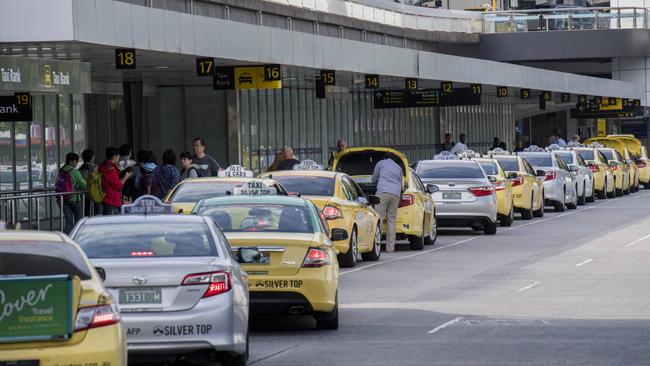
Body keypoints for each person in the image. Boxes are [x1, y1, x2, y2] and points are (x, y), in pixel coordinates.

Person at [372, 153, 403, 253]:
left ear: (385, 158)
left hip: (383, 192)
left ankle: (377, 246)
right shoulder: (399, 168)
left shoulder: (381, 163)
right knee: (391, 220)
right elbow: (401, 184)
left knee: (379, 218)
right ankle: (390, 248)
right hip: (396, 194)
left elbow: (374, 179)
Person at [56, 152, 86, 233]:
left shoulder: (61, 170)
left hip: (62, 199)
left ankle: (67, 237)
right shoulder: (74, 171)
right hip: (73, 199)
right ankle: (77, 236)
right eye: (76, 161)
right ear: (70, 161)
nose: (76, 163)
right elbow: (83, 184)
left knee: (69, 220)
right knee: (79, 220)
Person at [99, 147, 132, 215]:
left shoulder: (103, 166)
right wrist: (126, 177)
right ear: (114, 156)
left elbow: (114, 182)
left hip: (105, 197)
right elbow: (118, 186)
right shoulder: (111, 169)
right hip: (111, 200)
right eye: (118, 157)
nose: (118, 159)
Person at [78, 149, 99, 216]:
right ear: (92, 157)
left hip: (84, 194)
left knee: (86, 212)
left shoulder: (80, 169)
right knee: (95, 213)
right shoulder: (95, 168)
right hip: (94, 194)